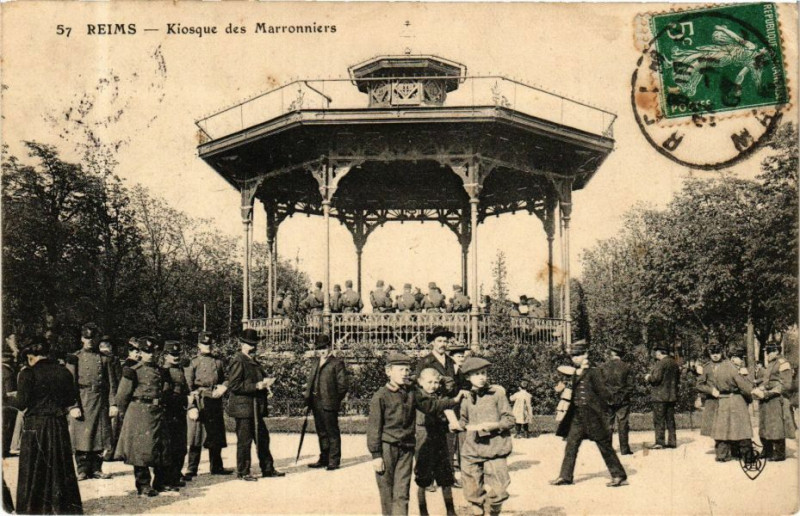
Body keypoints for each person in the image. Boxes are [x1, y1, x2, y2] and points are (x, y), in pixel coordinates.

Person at [367, 352, 466, 516]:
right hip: (387, 449)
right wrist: (376, 454)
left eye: (407, 370)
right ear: (388, 371)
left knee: (402, 492)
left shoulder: (412, 392)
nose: (405, 373)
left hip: (406, 448)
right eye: (400, 370)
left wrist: (455, 400)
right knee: (387, 492)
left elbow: (431, 405)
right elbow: (374, 427)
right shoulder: (381, 396)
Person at [15, 336, 83, 514]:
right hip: (58, 426)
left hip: (36, 426)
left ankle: (34, 508)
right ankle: (62, 508)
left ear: (30, 355)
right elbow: (70, 399)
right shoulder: (64, 372)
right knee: (59, 467)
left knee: (34, 468)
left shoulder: (27, 373)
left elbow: (21, 403)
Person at [551, 340, 627, 487]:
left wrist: (606, 409)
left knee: (604, 444)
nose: (575, 359)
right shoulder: (576, 373)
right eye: (573, 356)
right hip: (577, 416)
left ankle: (618, 475)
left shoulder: (594, 371)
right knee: (571, 444)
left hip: (592, 416)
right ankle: (565, 476)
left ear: (585, 355)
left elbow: (603, 392)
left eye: (578, 355)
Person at [114, 337, 172, 496]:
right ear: (140, 352)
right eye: (147, 351)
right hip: (139, 412)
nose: (151, 354)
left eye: (153, 351)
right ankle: (143, 485)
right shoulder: (132, 371)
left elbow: (166, 391)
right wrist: (124, 415)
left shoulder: (161, 371)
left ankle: (160, 482)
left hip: (158, 411)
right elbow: (122, 396)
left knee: (160, 447)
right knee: (141, 450)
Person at [459, 357, 515, 516]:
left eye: (484, 373)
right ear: (468, 377)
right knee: (472, 488)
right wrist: (457, 425)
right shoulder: (467, 397)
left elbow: (510, 419)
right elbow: (464, 419)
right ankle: (478, 507)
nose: (482, 377)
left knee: (499, 489)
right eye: (477, 374)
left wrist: (495, 425)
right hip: (472, 448)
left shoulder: (497, 394)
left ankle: (493, 510)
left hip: (495, 447)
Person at [227, 329, 285, 481]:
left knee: (263, 438)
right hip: (244, 408)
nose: (252, 347)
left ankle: (267, 468)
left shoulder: (252, 360)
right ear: (241, 344)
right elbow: (234, 385)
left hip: (254, 407)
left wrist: (266, 385)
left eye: (254, 344)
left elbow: (257, 378)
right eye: (249, 344)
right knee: (245, 441)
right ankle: (243, 471)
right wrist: (257, 386)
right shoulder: (238, 360)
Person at [65, 322, 118, 481]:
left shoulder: (105, 359)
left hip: (100, 400)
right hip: (82, 399)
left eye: (92, 338)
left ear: (97, 339)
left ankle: (96, 468)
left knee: (99, 436)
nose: (89, 341)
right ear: (82, 338)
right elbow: (69, 384)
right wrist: (73, 405)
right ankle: (82, 469)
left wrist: (113, 403)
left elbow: (112, 383)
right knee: (82, 436)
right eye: (86, 338)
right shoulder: (75, 358)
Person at [184, 332, 231, 479]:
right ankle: (192, 468)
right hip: (200, 400)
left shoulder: (218, 362)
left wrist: (223, 387)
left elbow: (227, 378)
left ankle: (216, 466)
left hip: (215, 399)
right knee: (196, 435)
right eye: (204, 344)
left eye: (209, 344)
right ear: (199, 345)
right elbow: (188, 385)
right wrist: (192, 404)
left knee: (215, 433)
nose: (207, 347)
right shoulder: (193, 362)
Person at [415, 368, 460, 516]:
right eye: (429, 382)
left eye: (436, 382)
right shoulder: (418, 397)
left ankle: (450, 511)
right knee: (423, 477)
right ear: (420, 382)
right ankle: (423, 511)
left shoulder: (440, 396)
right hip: (423, 437)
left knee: (445, 477)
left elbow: (449, 383)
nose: (433, 385)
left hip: (440, 438)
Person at [303, 334, 349, 470]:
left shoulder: (337, 362)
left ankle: (334, 461)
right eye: (319, 348)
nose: (322, 350)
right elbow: (311, 381)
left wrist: (334, 399)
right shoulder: (316, 362)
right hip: (315, 402)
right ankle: (324, 458)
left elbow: (343, 386)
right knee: (321, 432)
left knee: (332, 432)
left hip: (329, 402)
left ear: (329, 347)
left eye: (324, 347)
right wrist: (308, 399)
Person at [709, 345, 755, 462]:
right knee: (742, 428)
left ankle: (722, 455)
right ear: (734, 358)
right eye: (740, 358)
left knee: (723, 429)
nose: (741, 360)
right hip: (736, 399)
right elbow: (746, 388)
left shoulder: (719, 368)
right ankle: (747, 456)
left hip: (722, 399)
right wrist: (750, 397)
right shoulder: (735, 369)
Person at [753, 342, 796, 461]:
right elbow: (768, 381)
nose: (768, 354)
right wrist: (761, 387)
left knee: (776, 426)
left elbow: (786, 385)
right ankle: (767, 450)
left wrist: (767, 393)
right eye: (767, 352)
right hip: (766, 399)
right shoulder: (771, 364)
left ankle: (779, 453)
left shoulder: (783, 363)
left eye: (771, 351)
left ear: (777, 351)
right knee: (764, 425)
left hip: (776, 399)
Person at [158, 340, 191, 489]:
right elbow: (166, 396)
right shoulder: (163, 372)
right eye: (172, 354)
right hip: (168, 413)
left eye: (177, 354)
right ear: (165, 355)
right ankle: (167, 479)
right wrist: (185, 399)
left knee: (180, 446)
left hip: (179, 412)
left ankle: (176, 475)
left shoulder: (180, 370)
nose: (176, 357)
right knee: (168, 447)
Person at [600, 344, 633, 455]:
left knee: (608, 424)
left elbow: (600, 385)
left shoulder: (603, 366)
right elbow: (630, 385)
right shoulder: (627, 367)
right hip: (623, 400)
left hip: (608, 399)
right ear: (621, 355)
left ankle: (608, 449)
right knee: (623, 423)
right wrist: (621, 396)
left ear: (612, 354)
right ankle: (624, 449)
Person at [645, 345, 680, 449]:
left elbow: (656, 379)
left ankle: (660, 442)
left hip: (660, 396)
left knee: (659, 419)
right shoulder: (674, 363)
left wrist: (648, 377)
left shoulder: (660, 364)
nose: (655, 354)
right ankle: (672, 442)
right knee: (670, 419)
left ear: (660, 353)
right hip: (671, 395)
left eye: (657, 352)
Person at [98, 335, 122, 462]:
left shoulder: (114, 360)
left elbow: (117, 379)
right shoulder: (98, 359)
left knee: (113, 423)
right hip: (100, 395)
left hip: (112, 394)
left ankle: (110, 452)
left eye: (107, 346)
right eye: (102, 346)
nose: (105, 349)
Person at [695, 343, 725, 444]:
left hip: (726, 398)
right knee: (714, 426)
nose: (715, 355)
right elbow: (699, 385)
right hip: (712, 401)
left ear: (721, 353)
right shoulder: (706, 367)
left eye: (717, 353)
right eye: (713, 353)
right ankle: (720, 447)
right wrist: (711, 391)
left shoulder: (727, 365)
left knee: (727, 424)